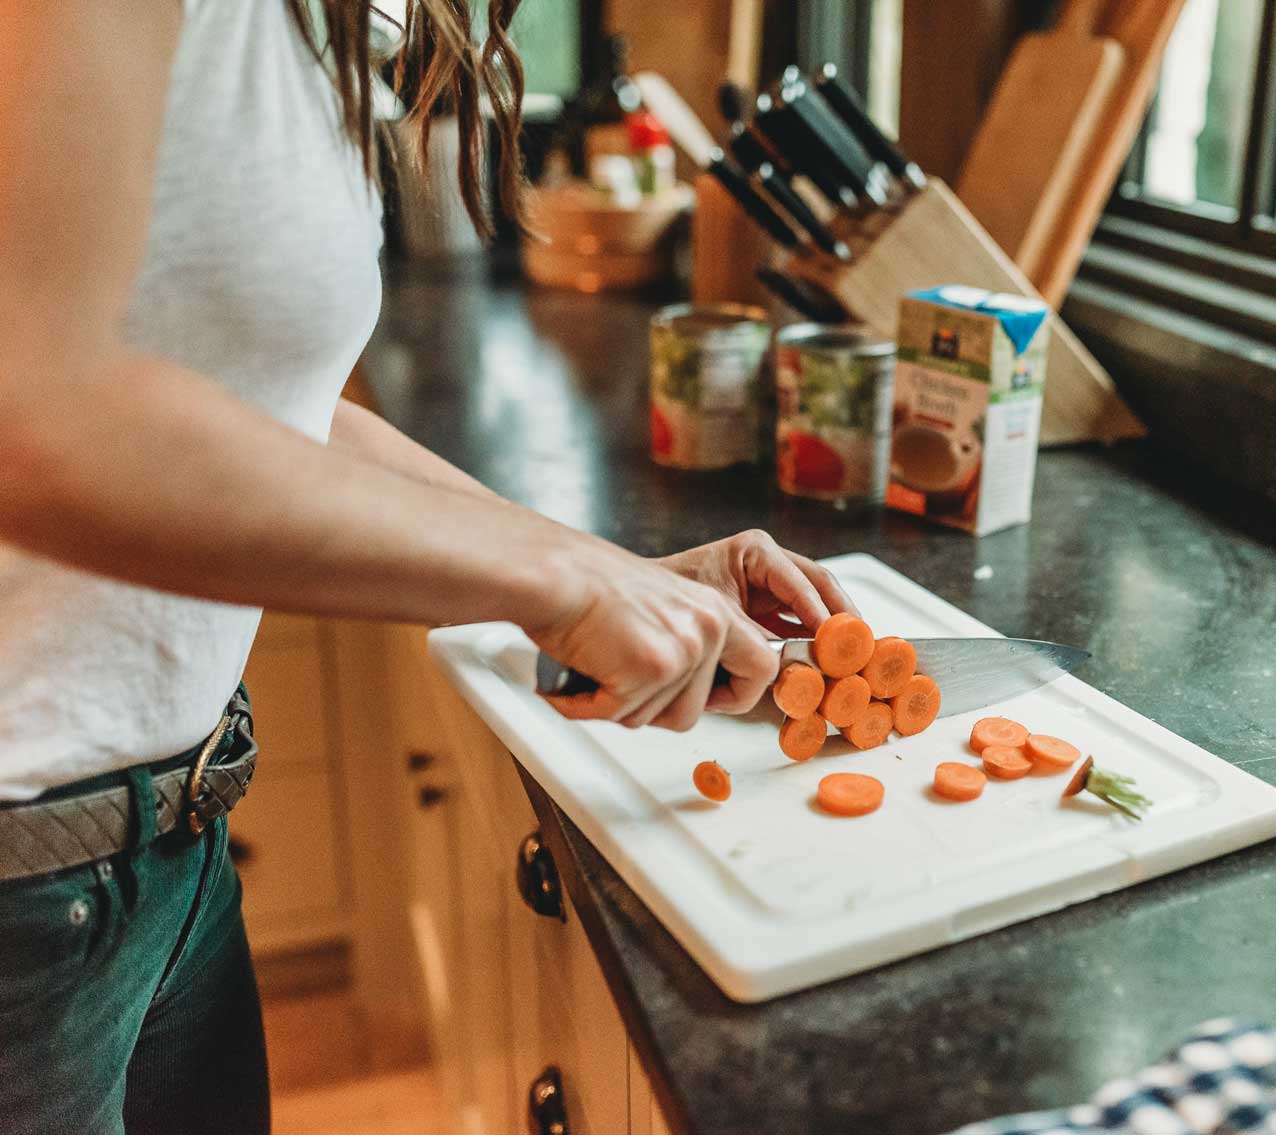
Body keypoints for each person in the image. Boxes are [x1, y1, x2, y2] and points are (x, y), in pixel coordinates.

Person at [0, 2, 851, 1132]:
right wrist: (565, 584)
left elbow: (248, 402)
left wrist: (606, 568)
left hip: (162, 833)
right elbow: (38, 409)